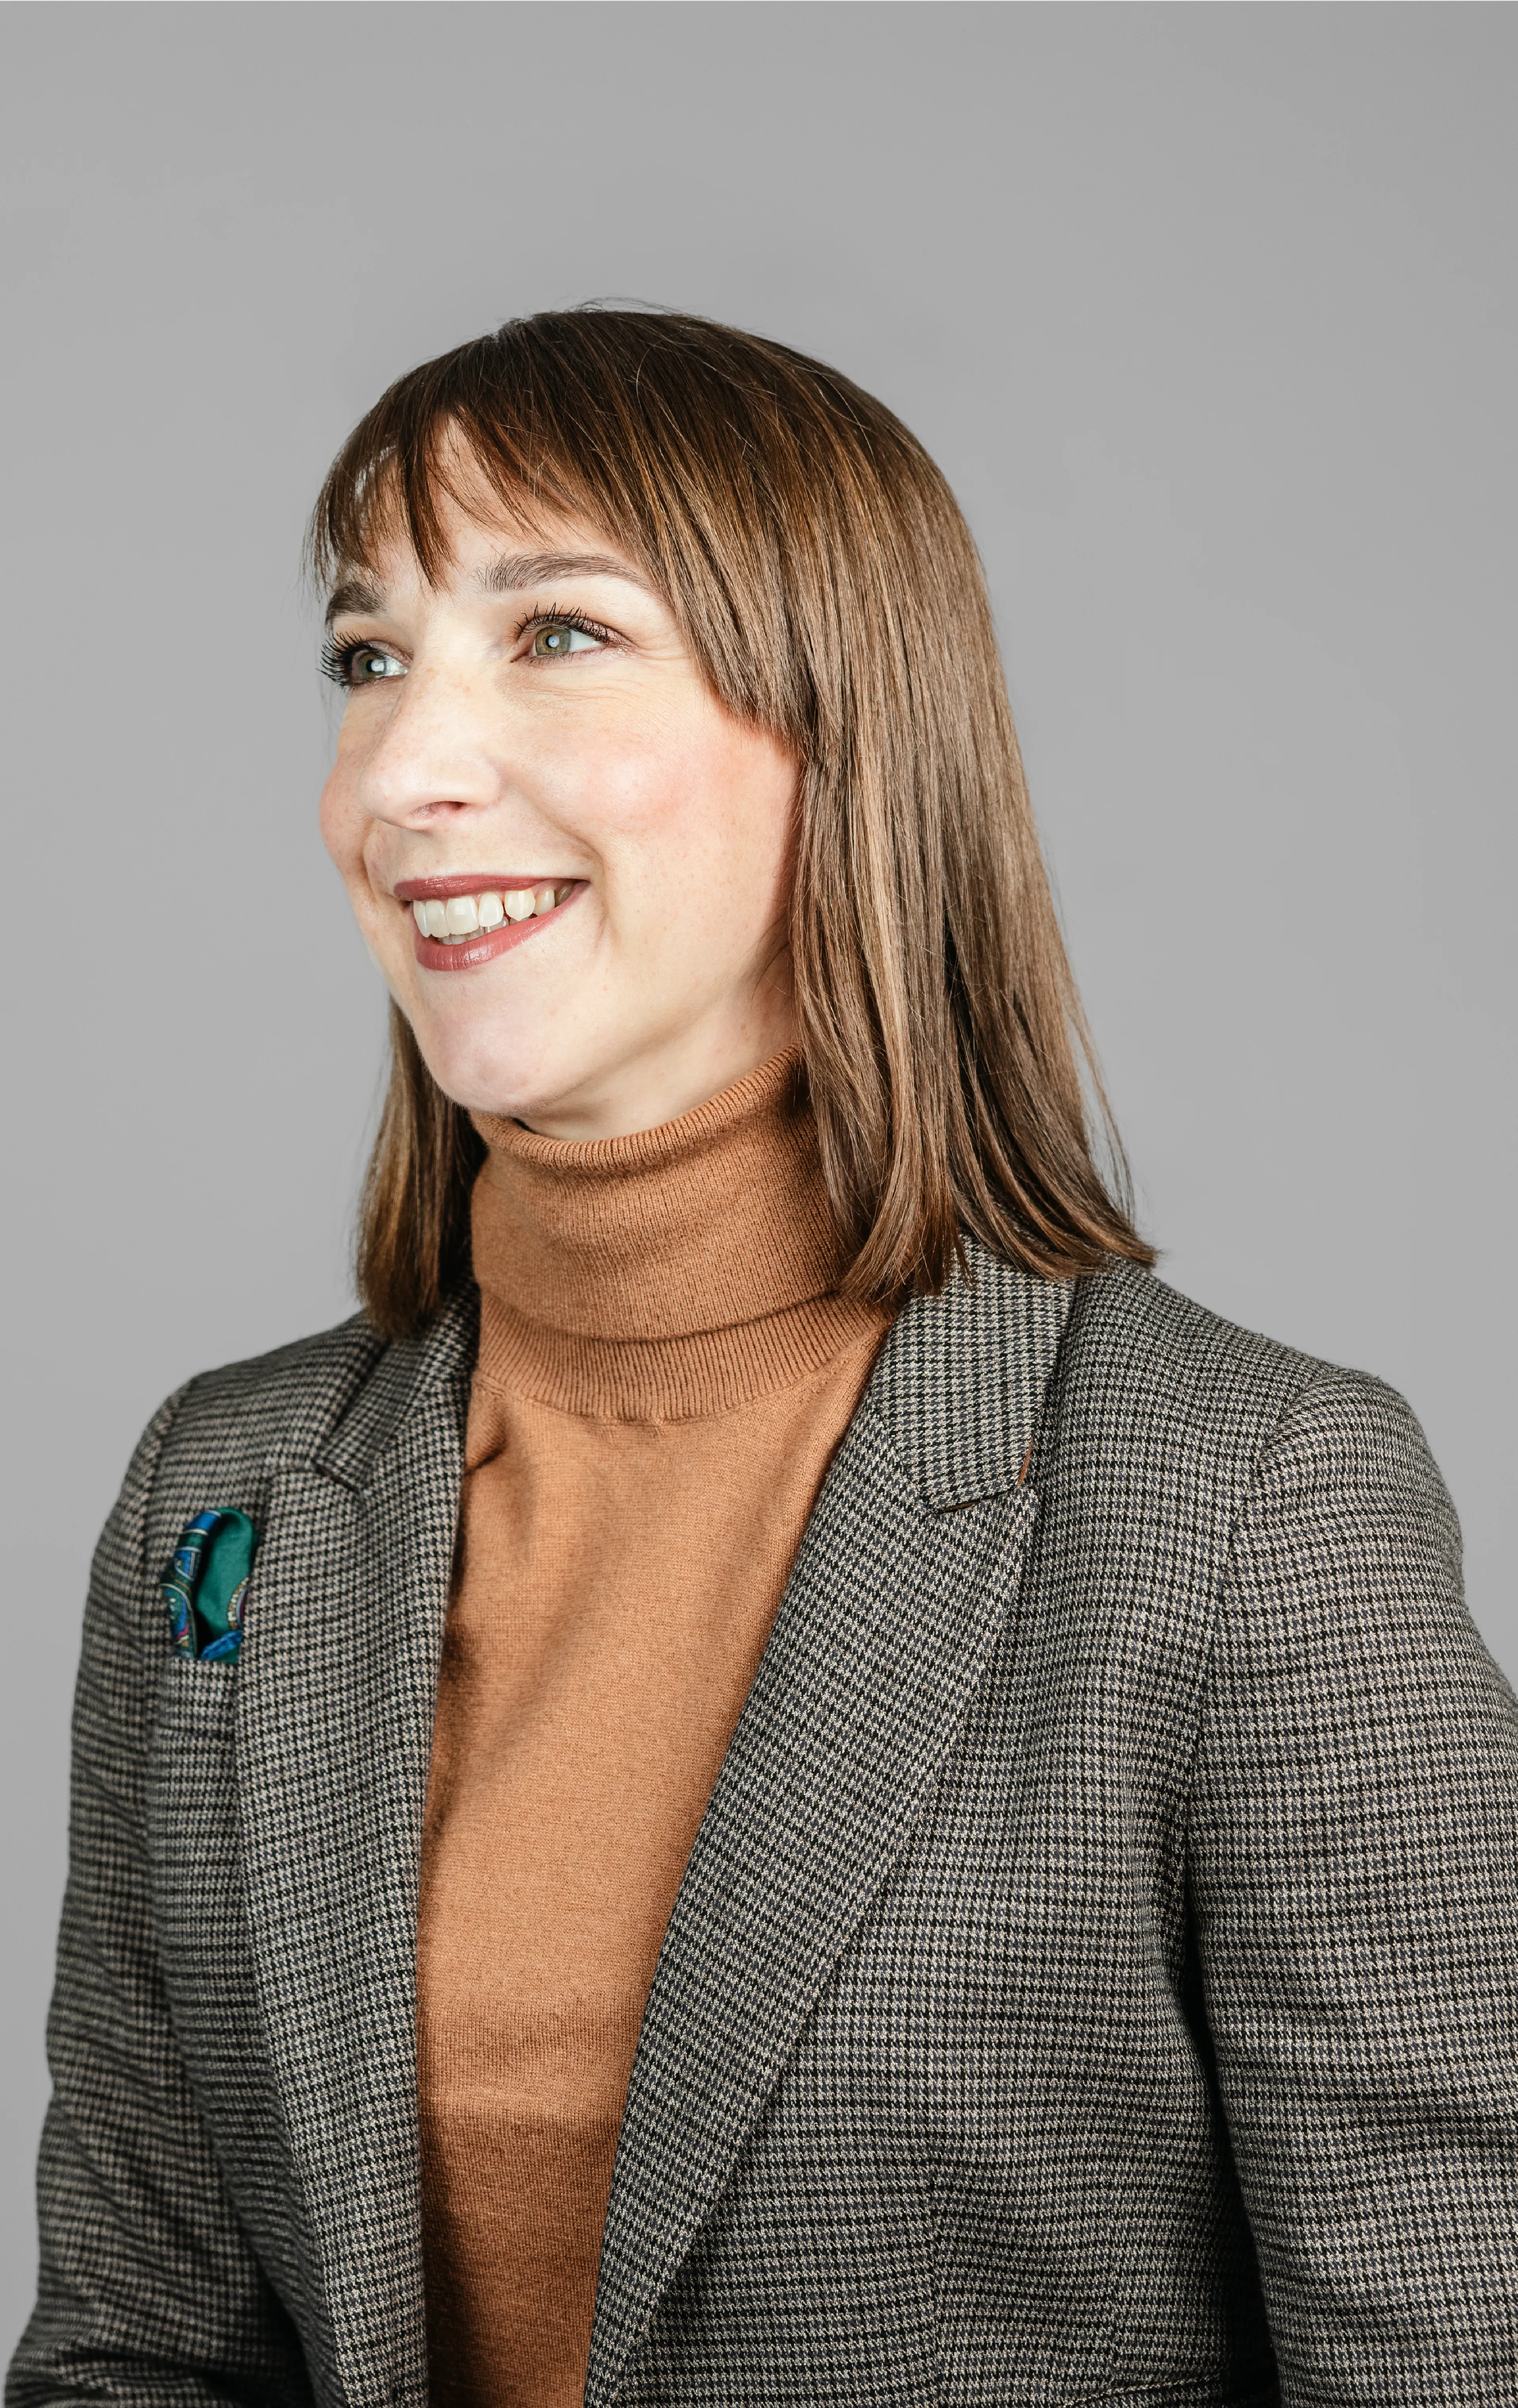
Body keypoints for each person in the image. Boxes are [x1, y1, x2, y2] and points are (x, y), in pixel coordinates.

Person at [10, 306, 1517, 2408]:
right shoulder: (226, 1491)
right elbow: (135, 2350)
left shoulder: (1252, 1501)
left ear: (846, 735)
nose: (404, 772)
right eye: (367, 657)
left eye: (557, 635)